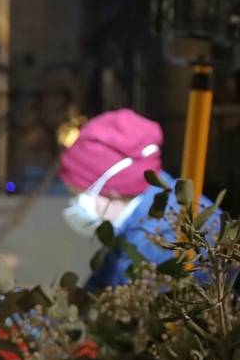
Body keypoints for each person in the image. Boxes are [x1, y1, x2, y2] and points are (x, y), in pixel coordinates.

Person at [60, 108, 218, 290]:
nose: (74, 205)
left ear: (113, 190)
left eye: (79, 195)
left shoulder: (156, 242)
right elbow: (94, 295)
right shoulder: (153, 207)